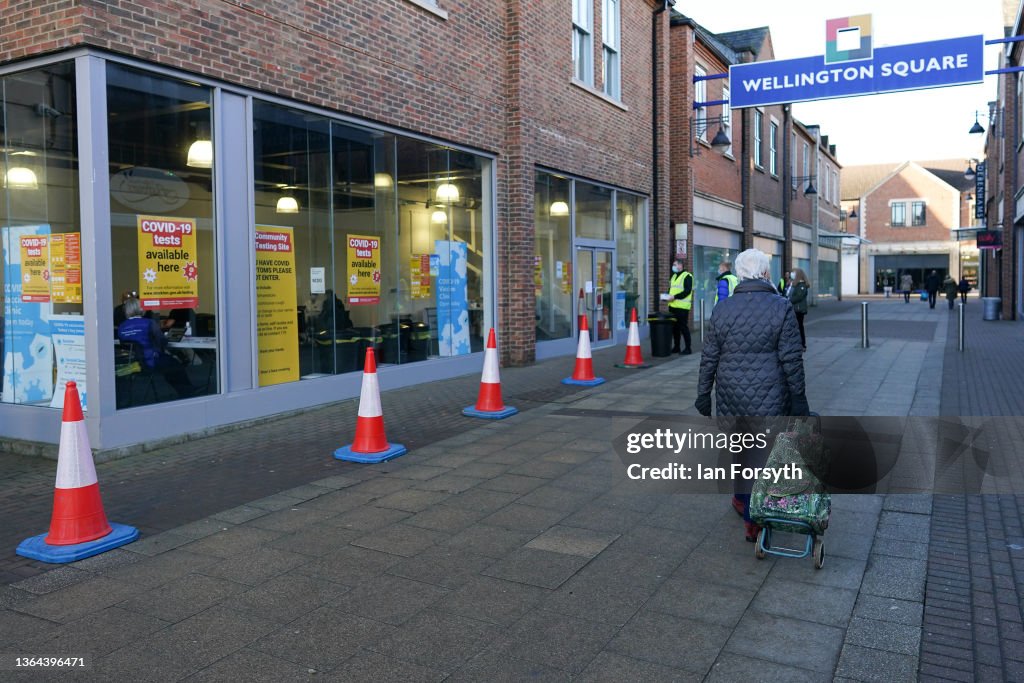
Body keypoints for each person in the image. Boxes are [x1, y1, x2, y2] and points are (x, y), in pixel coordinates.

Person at [695, 248, 809, 542]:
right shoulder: (781, 307)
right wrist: (799, 398)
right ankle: (753, 518)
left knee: (741, 450)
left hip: (731, 394)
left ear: (738, 274)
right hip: (771, 394)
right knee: (763, 453)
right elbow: (791, 358)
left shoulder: (722, 308)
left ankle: (741, 499)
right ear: (765, 273)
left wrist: (704, 394)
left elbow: (709, 356)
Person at [117, 297, 197, 398]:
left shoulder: (121, 326)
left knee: (169, 363)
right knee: (175, 364)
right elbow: (162, 342)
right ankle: (187, 392)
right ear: (142, 308)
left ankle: (184, 392)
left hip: (131, 364)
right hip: (149, 362)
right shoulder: (149, 323)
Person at [665, 259, 693, 354]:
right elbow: (671, 289)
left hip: (682, 307)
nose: (673, 266)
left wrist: (674, 297)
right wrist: (667, 295)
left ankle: (688, 348)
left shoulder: (687, 276)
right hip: (673, 306)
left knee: (683, 327)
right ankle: (677, 347)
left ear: (680, 266)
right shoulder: (673, 276)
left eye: (675, 264)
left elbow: (687, 291)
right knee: (675, 328)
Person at [787, 268, 810, 351]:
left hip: (799, 310)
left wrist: (788, 300)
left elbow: (798, 297)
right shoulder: (795, 284)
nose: (792, 274)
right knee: (796, 327)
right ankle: (797, 344)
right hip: (794, 309)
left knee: (799, 327)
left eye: (793, 273)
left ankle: (802, 345)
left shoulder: (802, 285)